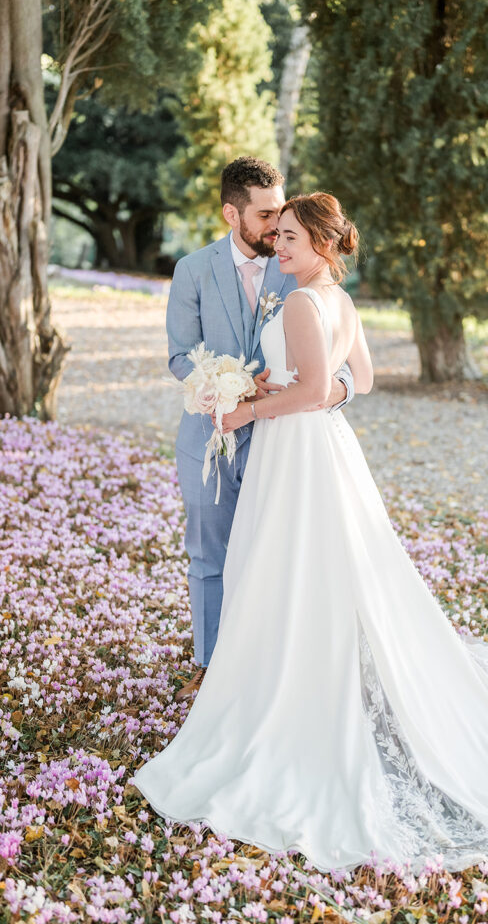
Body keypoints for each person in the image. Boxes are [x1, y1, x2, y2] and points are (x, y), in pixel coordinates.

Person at [132, 193, 488, 879]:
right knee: (321, 563)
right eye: (278, 238)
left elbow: (309, 392)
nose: (280, 247)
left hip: (294, 447)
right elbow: (351, 380)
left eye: (293, 239)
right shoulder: (338, 299)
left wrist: (245, 410)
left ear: (323, 244)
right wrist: (277, 389)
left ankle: (294, 677)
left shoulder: (301, 302)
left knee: (293, 561)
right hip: (321, 446)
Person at [165, 160, 353, 703]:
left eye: (282, 211)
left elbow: (337, 362)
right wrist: (226, 388)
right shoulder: (192, 270)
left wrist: (329, 395)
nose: (278, 225)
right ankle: (208, 664)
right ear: (232, 212)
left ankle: (266, 667)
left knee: (276, 553)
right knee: (209, 556)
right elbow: (180, 355)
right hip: (211, 435)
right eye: (267, 214)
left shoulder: (296, 266)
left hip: (284, 441)